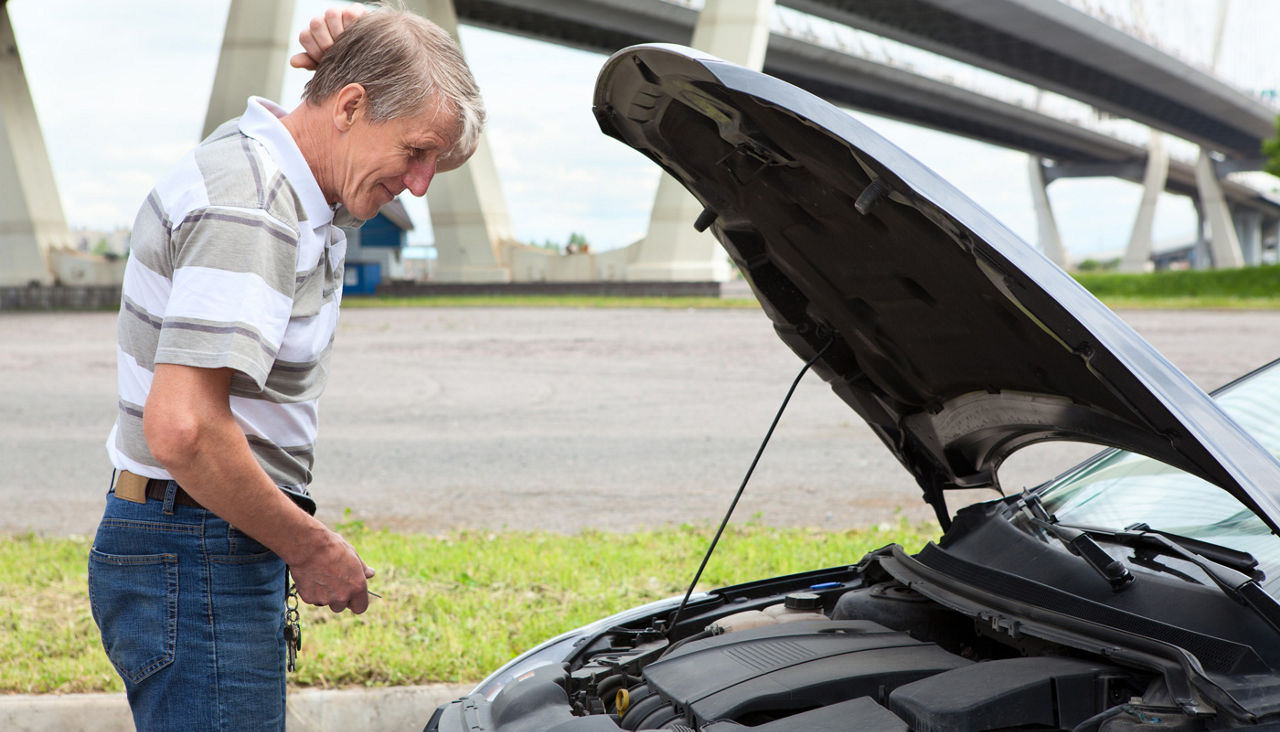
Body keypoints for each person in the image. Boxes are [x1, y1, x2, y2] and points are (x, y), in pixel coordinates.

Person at [88, 5, 484, 729]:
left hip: (198, 539)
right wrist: (311, 547)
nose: (422, 185)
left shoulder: (269, 170)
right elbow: (185, 430)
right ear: (352, 106)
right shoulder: (255, 201)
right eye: (418, 152)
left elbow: (330, 133)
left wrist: (355, 53)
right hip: (199, 544)